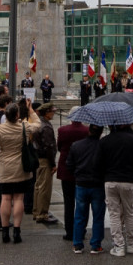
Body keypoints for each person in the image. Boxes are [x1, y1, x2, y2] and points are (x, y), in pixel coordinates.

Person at [0, 103, 35, 244]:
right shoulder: (24, 127)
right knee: (19, 198)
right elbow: (38, 124)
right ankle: (17, 231)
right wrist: (30, 111)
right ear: (17, 115)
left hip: (5, 165)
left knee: (5, 198)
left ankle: (5, 231)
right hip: (20, 165)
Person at [97, 121, 133, 258]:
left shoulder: (104, 141)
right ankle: (131, 244)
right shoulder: (132, 140)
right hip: (128, 180)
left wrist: (104, 177)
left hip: (110, 180)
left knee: (114, 214)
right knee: (129, 213)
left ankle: (119, 246)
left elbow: (98, 163)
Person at [65, 124, 106, 254]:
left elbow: (69, 165)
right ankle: (96, 244)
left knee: (80, 215)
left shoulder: (77, 145)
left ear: (89, 130)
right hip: (97, 184)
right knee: (98, 215)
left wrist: (77, 174)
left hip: (81, 183)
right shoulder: (102, 146)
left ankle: (77, 244)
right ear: (100, 132)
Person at [56, 113, 90, 241]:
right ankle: (81, 230)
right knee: (83, 202)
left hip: (66, 169)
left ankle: (69, 231)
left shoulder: (62, 130)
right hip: (82, 169)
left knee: (68, 202)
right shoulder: (86, 131)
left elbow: (59, 146)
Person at [32, 103, 59, 224]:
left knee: (38, 186)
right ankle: (42, 214)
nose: (53, 113)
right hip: (45, 159)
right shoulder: (46, 126)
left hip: (39, 158)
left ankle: (36, 211)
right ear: (46, 112)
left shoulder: (38, 123)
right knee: (44, 187)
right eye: (52, 111)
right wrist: (53, 163)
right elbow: (49, 146)